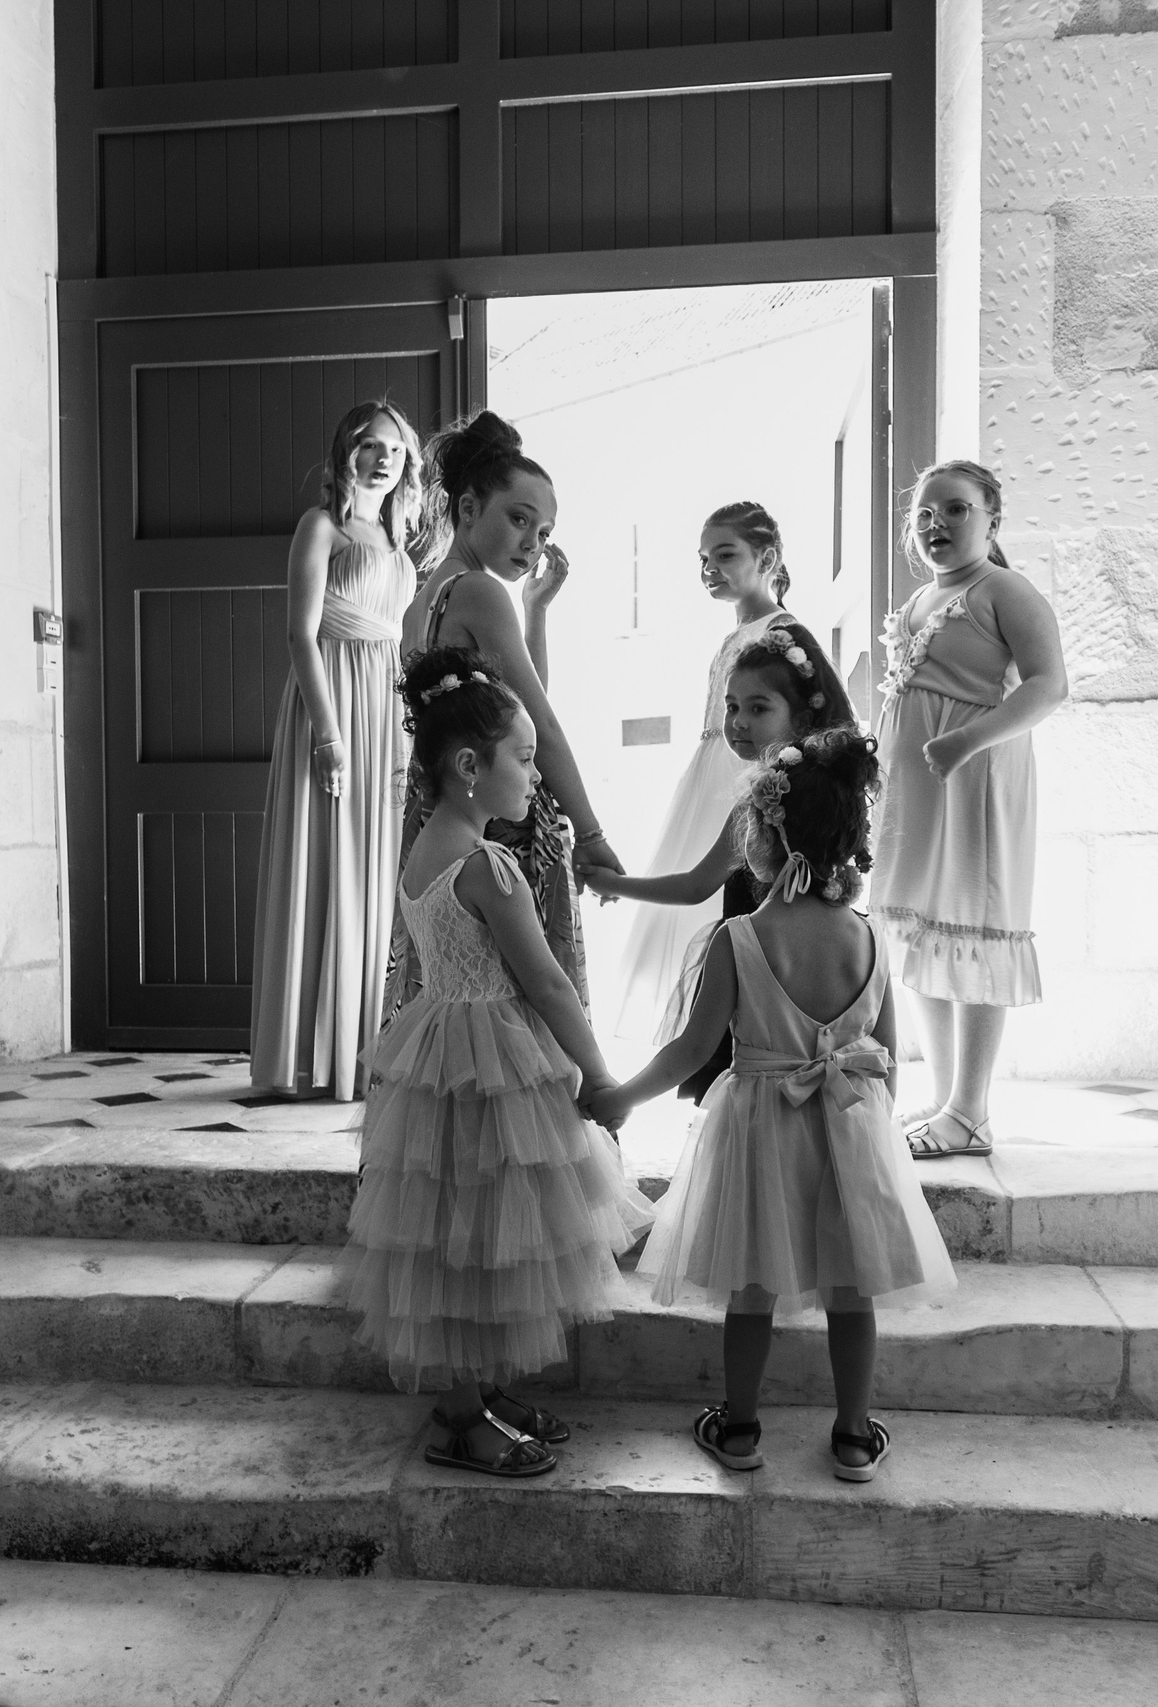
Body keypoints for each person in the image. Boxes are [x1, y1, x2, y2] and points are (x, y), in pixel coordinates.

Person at [592, 729, 953, 1481]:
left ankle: (741, 1429)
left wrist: (623, 1097)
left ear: (763, 835)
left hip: (760, 1134)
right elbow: (887, 1060)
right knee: (853, 1293)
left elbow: (692, 1052)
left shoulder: (741, 938)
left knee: (751, 1290)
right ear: (852, 842)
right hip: (848, 1130)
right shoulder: (870, 941)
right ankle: (854, 1434)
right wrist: (863, 1130)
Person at [340, 648, 653, 1478]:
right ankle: (458, 1418)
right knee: (478, 1239)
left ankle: (481, 1394)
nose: (534, 775)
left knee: (465, 1236)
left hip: (442, 1045)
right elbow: (547, 981)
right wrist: (597, 1076)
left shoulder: (423, 853)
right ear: (470, 767)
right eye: (524, 758)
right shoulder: (487, 867)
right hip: (489, 1058)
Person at [390, 412, 623, 1009]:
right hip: (497, 822)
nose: (532, 542)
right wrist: (591, 832)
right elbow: (538, 725)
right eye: (519, 519)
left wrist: (536, 610)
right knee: (523, 1001)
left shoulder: (426, 598)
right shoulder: (478, 590)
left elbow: (511, 711)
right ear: (468, 510)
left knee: (457, 995)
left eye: (544, 532)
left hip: (440, 818)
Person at [872, 460, 1068, 1160]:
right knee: (921, 929)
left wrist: (967, 740)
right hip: (918, 787)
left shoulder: (1004, 589)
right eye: (924, 515)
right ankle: (946, 1093)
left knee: (975, 924)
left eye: (954, 510)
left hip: (977, 776)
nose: (936, 525)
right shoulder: (924, 598)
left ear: (991, 518)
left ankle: (972, 1109)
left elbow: (1049, 685)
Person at [582, 618, 856, 1103]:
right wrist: (615, 884)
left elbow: (694, 886)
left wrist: (613, 884)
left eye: (758, 707)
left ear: (803, 716)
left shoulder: (765, 807)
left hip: (760, 971)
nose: (738, 722)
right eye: (731, 706)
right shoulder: (813, 799)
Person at [247, 400, 425, 1100]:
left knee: (378, 867)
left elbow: (398, 638)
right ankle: (305, 1055)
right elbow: (300, 633)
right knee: (328, 860)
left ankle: (362, 1052)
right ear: (343, 453)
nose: (382, 458)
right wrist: (327, 733)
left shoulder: (396, 542)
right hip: (333, 702)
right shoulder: (320, 526)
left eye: (393, 449)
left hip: (386, 706)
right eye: (367, 444)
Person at [607, 501, 798, 1044]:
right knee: (704, 907)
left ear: (768, 558)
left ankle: (748, 1030)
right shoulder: (735, 633)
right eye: (703, 558)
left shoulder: (782, 633)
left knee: (735, 900)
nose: (709, 568)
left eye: (725, 554)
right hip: (710, 772)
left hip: (744, 775)